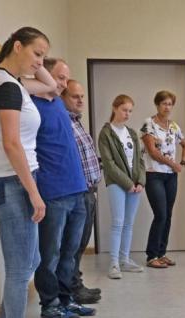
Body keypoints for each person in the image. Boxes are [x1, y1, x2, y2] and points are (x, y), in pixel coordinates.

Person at [0, 26, 55, 318]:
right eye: (36, 53)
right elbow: (12, 144)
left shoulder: (10, 81)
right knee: (20, 267)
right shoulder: (8, 87)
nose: (40, 62)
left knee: (30, 261)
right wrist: (34, 192)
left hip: (12, 180)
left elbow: (52, 86)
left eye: (44, 56)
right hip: (12, 181)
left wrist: (34, 61)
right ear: (16, 46)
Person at [28, 58, 95, 318]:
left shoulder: (58, 104)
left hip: (77, 189)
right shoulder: (31, 106)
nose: (63, 84)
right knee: (51, 254)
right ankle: (50, 303)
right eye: (59, 77)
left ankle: (67, 299)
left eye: (66, 79)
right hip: (53, 193)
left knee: (70, 251)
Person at [62, 79, 102, 304]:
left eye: (82, 96)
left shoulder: (76, 121)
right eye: (74, 96)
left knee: (81, 243)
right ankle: (71, 289)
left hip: (89, 190)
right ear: (62, 98)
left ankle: (76, 283)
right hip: (77, 192)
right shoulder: (64, 123)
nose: (80, 100)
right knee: (73, 245)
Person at [98, 95, 146, 279]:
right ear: (115, 108)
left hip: (135, 185)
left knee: (129, 223)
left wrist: (140, 182)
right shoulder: (106, 133)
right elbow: (109, 164)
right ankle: (114, 263)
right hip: (117, 183)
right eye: (124, 110)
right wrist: (127, 184)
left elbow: (140, 160)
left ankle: (125, 259)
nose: (127, 114)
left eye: (130, 111)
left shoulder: (132, 133)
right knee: (118, 222)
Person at [140, 90, 185, 269]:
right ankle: (151, 255)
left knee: (168, 215)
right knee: (160, 214)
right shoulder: (149, 124)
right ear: (157, 105)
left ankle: (161, 253)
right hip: (154, 174)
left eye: (170, 104)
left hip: (171, 176)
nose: (167, 107)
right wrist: (173, 163)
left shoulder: (174, 126)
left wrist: (182, 162)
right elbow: (152, 152)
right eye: (164, 104)